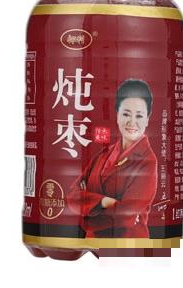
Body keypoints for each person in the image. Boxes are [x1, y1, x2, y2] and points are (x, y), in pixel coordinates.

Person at [67, 79, 158, 238]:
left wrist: (86, 211)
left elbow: (124, 216)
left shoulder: (148, 162)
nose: (132, 122)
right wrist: (104, 201)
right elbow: (72, 195)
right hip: (91, 243)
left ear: (147, 120)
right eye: (126, 114)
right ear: (117, 115)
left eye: (139, 116)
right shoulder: (103, 155)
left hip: (129, 246)